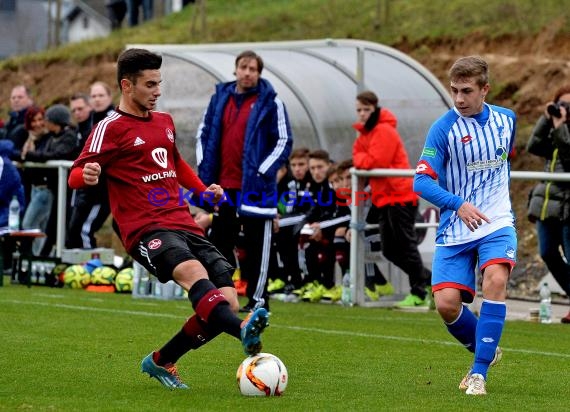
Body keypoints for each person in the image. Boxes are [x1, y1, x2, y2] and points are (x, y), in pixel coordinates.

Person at [68, 48, 269, 390]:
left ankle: (163, 360)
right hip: (145, 228)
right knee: (194, 275)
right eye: (150, 84)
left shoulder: (164, 122)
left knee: (227, 300)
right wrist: (84, 175)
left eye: (159, 83)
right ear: (127, 86)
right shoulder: (110, 127)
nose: (158, 91)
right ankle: (242, 330)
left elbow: (177, 165)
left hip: (183, 222)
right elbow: (75, 172)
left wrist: (204, 192)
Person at [413, 56, 517, 395]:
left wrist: (490, 202)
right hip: (456, 227)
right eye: (454, 90)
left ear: (485, 89)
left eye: (467, 91)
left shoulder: (507, 120)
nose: (459, 99)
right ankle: (485, 348)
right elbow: (422, 183)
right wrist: (458, 204)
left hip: (496, 222)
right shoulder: (443, 129)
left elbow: (504, 164)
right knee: (445, 304)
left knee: (496, 279)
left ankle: (478, 374)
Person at [196, 50, 293, 313]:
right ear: (235, 70)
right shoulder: (219, 99)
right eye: (244, 67)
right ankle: (222, 297)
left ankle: (259, 301)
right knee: (218, 244)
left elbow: (284, 141)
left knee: (257, 248)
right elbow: (203, 133)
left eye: (253, 69)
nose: (248, 72)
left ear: (259, 73)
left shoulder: (272, 102)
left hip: (256, 188)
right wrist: (205, 170)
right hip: (224, 188)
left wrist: (262, 172)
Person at [352, 90, 431, 308]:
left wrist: (362, 159)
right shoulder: (365, 134)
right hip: (385, 198)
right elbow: (358, 157)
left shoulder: (383, 130)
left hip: (400, 195)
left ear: (375, 109)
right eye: (358, 110)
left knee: (405, 246)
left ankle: (419, 291)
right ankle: (430, 281)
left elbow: (376, 161)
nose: (362, 114)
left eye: (366, 110)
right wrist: (362, 159)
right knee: (389, 250)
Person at [527, 85, 570, 324]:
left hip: (568, 205)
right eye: (560, 104)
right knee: (547, 252)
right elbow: (533, 147)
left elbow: (569, 157)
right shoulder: (554, 129)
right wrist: (546, 120)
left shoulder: (562, 131)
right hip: (547, 204)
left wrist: (561, 128)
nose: (564, 110)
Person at [21, 104, 77, 256]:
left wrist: (31, 155)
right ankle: (42, 258)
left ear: (56, 121)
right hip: (55, 189)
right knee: (50, 227)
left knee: (56, 227)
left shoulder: (69, 136)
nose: (44, 122)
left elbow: (56, 155)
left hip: (66, 191)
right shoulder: (54, 137)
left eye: (47, 119)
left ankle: (45, 258)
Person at [66, 92, 111, 249]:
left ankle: (89, 269)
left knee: (84, 231)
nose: (77, 113)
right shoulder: (79, 129)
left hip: (100, 193)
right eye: (74, 110)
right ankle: (80, 268)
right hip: (84, 191)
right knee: (73, 232)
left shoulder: (102, 124)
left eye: (80, 108)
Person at [2, 85, 34, 150]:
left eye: (20, 97)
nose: (16, 100)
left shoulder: (34, 118)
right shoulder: (10, 121)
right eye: (13, 98)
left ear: (29, 99)